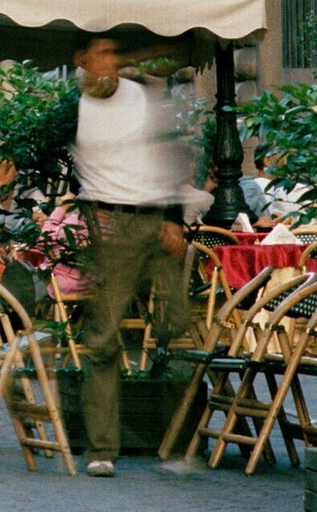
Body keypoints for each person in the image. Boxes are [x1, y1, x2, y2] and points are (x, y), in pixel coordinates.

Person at [70, 35, 194, 478]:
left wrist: (173, 218)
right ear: (81, 60)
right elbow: (68, 169)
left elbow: (171, 157)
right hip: (110, 226)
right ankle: (102, 448)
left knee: (180, 323)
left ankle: (177, 434)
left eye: (114, 54)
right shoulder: (71, 109)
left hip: (155, 222)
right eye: (101, 55)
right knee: (103, 339)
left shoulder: (142, 96)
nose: (110, 64)